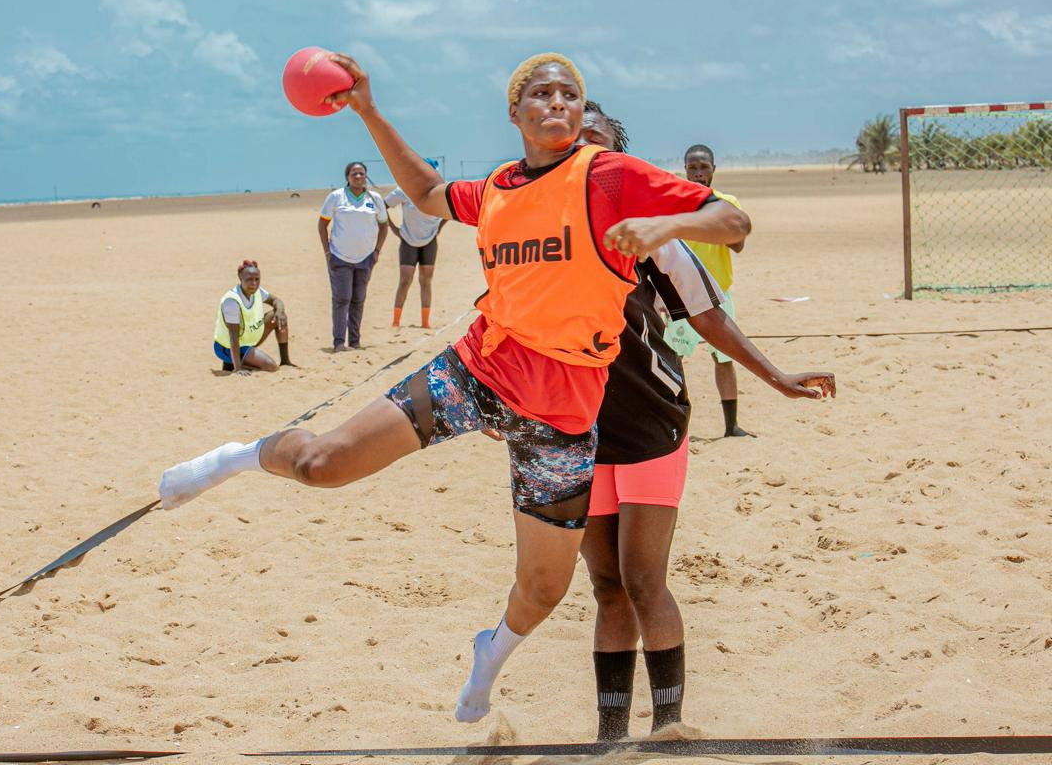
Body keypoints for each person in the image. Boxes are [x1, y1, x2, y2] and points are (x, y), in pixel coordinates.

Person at [160, 52, 750, 724]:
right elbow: (428, 195)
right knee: (321, 465)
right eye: (542, 93)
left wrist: (666, 223)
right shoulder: (499, 186)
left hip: (561, 419)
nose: (557, 102)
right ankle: (237, 455)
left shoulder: (609, 173)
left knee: (542, 590)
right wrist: (367, 110)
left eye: (569, 94)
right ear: (515, 112)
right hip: (476, 371)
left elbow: (731, 222)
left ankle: (488, 660)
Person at [577, 102, 834, 741]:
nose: (581, 133)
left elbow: (706, 315)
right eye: (571, 128)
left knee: (642, 581)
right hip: (574, 430)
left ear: (617, 153)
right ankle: (610, 737)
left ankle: (669, 728)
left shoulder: (648, 234)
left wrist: (776, 377)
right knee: (607, 588)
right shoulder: (538, 230)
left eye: (596, 130)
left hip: (648, 423)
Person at [665, 145, 752, 437]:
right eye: (693, 168)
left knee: (724, 357)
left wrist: (713, 218)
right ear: (685, 170)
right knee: (674, 359)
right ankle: (676, 424)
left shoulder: (727, 203)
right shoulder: (674, 203)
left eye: (703, 168)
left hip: (719, 293)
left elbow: (738, 244)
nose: (698, 174)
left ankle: (731, 425)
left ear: (714, 169)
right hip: (681, 294)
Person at [318, 161, 389, 352]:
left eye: (361, 173)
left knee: (358, 300)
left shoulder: (374, 199)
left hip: (365, 258)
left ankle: (355, 342)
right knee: (342, 299)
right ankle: (339, 342)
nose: (358, 177)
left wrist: (377, 251)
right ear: (347, 177)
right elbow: (322, 224)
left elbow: (384, 225)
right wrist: (327, 252)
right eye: (354, 174)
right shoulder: (336, 197)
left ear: (366, 176)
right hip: (339, 256)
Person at [385, 158, 445, 329]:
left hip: (430, 241)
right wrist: (394, 229)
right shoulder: (403, 191)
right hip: (408, 241)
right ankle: (396, 321)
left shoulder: (440, 190)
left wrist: (438, 227)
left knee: (426, 280)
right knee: (405, 280)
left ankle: (425, 322)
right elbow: (382, 207)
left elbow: (450, 212)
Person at [213, 260, 295, 375]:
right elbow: (233, 336)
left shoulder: (257, 291)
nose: (254, 283)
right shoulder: (231, 301)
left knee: (278, 316)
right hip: (227, 347)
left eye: (257, 279)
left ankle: (285, 361)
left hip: (247, 339)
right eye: (249, 279)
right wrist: (238, 368)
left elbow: (276, 300)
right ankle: (234, 364)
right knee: (271, 366)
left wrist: (280, 311)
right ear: (240, 278)